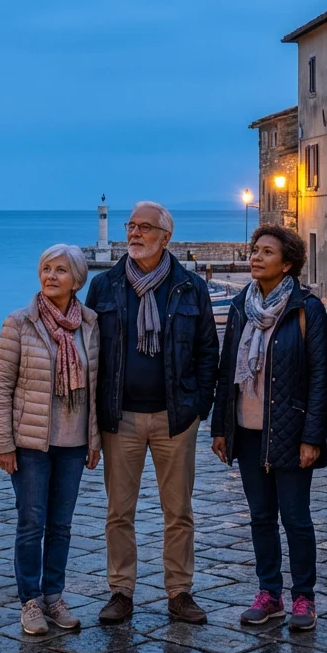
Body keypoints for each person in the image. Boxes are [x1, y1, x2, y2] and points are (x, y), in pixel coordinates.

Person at [85, 201, 220, 625]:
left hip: (175, 417)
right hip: (120, 417)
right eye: (131, 225)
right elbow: (91, 353)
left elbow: (207, 353)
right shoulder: (105, 286)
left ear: (166, 236)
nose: (135, 233)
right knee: (118, 512)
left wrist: (198, 406)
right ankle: (120, 592)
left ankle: (179, 592)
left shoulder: (189, 287)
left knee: (178, 511)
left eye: (145, 227)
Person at [211, 225, 327, 630]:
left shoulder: (305, 309)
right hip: (247, 430)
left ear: (288, 263)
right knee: (260, 516)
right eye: (254, 250)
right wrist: (220, 428)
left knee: (296, 518)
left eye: (266, 252)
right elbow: (229, 370)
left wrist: (313, 436)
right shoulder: (243, 305)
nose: (255, 257)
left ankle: (304, 599)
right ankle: (269, 594)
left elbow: (320, 378)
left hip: (290, 431)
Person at [0, 244, 101, 636]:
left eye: (60, 271)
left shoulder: (90, 324)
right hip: (30, 443)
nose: (51, 276)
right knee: (31, 523)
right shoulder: (19, 323)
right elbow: (1, 386)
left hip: (73, 444)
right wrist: (3, 442)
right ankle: (30, 602)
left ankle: (54, 597)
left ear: (77, 280)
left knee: (62, 526)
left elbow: (95, 386)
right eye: (46, 269)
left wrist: (94, 440)